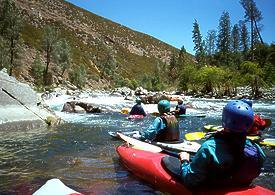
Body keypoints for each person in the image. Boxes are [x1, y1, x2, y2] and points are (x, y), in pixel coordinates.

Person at [162, 100, 266, 189]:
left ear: (224, 120)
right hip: (238, 185)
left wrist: (184, 160)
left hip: (212, 187)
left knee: (168, 161)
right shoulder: (257, 149)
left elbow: (190, 180)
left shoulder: (209, 148)